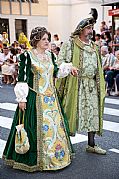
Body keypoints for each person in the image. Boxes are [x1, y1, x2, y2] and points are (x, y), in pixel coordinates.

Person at [2, 27, 78, 172]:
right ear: (36, 40)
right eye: (44, 39)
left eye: (47, 39)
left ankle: (56, 157)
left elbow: (56, 72)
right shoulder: (27, 56)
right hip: (34, 98)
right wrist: (22, 99)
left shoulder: (50, 55)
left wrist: (69, 68)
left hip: (51, 100)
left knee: (55, 129)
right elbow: (22, 78)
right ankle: (35, 160)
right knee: (32, 129)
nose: (47, 41)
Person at [56, 9, 106, 155]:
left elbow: (99, 66)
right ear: (81, 29)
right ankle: (65, 145)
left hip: (92, 85)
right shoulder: (70, 44)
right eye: (88, 28)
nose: (91, 31)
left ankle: (91, 144)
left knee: (93, 114)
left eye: (92, 28)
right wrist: (70, 67)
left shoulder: (94, 46)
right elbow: (60, 62)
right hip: (76, 85)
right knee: (71, 113)